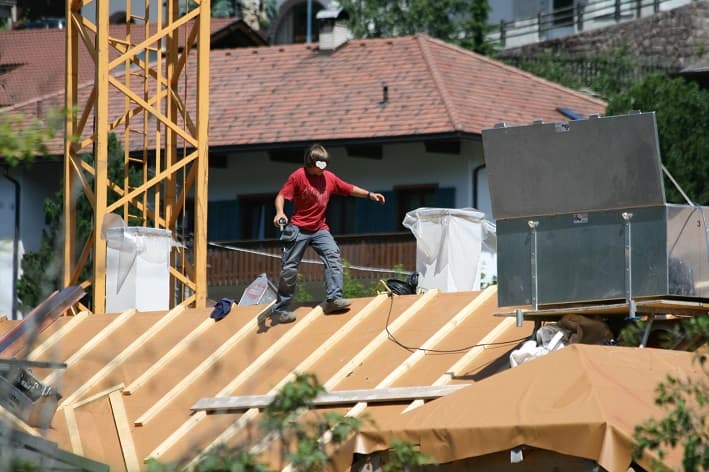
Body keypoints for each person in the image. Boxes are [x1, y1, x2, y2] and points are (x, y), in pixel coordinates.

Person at [271, 144, 386, 324]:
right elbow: (281, 196)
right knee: (290, 269)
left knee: (333, 256)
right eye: (321, 164)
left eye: (326, 164)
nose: (324, 167)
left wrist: (370, 194)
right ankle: (281, 309)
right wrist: (280, 212)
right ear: (310, 163)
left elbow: (348, 188)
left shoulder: (329, 178)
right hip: (298, 229)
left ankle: (333, 299)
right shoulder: (298, 176)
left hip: (319, 229)